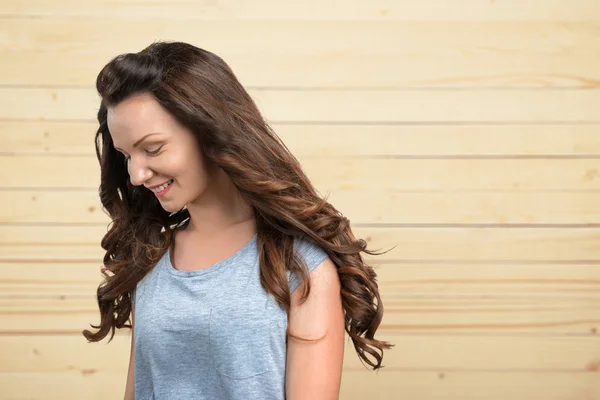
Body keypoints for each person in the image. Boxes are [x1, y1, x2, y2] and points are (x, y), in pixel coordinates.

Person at [82, 41, 392, 400]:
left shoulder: (299, 267)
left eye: (152, 149)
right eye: (126, 155)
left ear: (210, 130)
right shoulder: (151, 261)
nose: (136, 174)